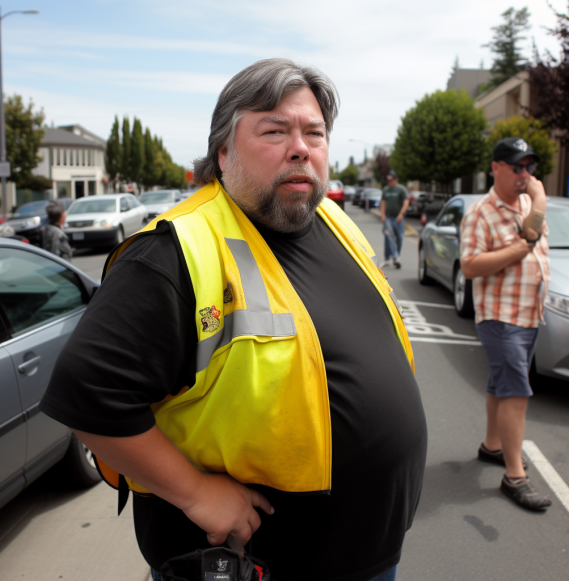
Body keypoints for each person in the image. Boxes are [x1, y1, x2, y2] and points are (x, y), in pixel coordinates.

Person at [40, 58, 427, 581]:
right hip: (257, 565)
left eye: (315, 133)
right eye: (274, 130)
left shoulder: (333, 221)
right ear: (222, 153)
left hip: (369, 556)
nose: (301, 147)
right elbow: (85, 395)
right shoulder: (174, 251)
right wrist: (196, 493)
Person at [460, 137, 551, 511]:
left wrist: (539, 200)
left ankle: (493, 446)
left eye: (529, 167)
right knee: (516, 389)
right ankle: (515, 475)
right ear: (495, 167)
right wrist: (520, 246)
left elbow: (535, 234)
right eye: (516, 166)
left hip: (529, 313)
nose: (524, 174)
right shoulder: (480, 212)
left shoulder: (529, 203)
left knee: (501, 382)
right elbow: (469, 265)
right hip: (501, 316)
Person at [380, 170, 409, 268]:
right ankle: (391, 258)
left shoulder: (401, 189)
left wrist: (401, 214)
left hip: (398, 219)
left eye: (391, 180)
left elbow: (406, 202)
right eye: (388, 180)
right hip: (388, 218)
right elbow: (383, 202)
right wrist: (383, 215)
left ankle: (396, 256)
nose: (389, 182)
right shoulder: (386, 190)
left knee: (400, 238)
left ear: (395, 179)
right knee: (388, 236)